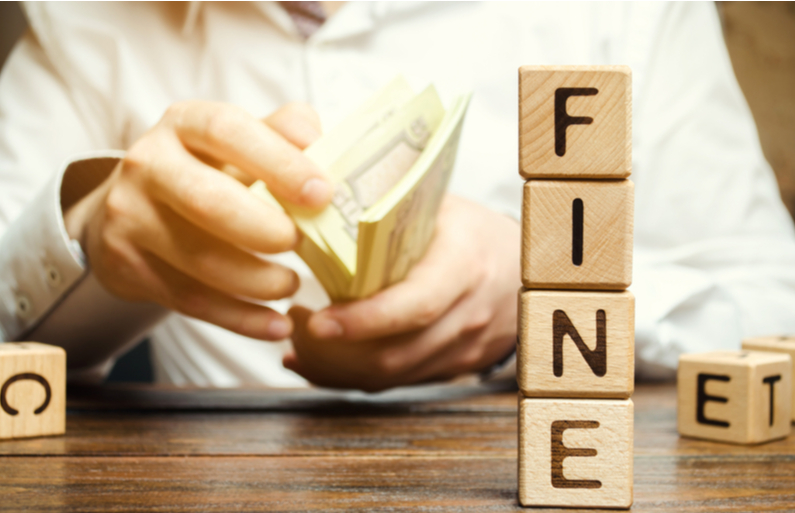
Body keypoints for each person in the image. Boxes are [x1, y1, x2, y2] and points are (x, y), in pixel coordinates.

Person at [1, 2, 794, 390]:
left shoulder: (622, 11)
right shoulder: (82, 19)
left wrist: (543, 293)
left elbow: (773, 301)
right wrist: (91, 239)